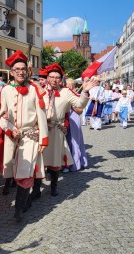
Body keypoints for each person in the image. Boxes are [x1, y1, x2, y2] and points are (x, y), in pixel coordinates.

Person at [0, 50, 49, 222]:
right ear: (11, 72)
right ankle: (26, 199)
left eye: (23, 68)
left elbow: (41, 115)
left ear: (27, 71)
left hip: (30, 137)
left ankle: (18, 209)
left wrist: (44, 138)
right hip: (12, 138)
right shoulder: (5, 90)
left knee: (25, 172)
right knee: (11, 170)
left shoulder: (34, 89)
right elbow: (0, 116)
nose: (20, 71)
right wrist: (9, 127)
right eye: (17, 69)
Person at [37, 64, 97, 198]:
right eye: (51, 77)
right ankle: (36, 189)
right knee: (38, 160)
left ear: (61, 79)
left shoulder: (66, 92)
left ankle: (53, 186)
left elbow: (80, 104)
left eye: (57, 77)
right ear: (47, 78)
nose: (54, 80)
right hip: (40, 130)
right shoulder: (38, 91)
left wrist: (85, 91)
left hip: (56, 131)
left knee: (55, 160)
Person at [65, 78, 88, 172]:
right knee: (65, 142)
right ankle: (65, 164)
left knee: (74, 141)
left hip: (74, 119)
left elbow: (80, 110)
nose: (69, 87)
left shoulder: (77, 96)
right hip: (65, 119)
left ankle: (75, 163)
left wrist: (71, 105)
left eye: (70, 85)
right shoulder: (63, 94)